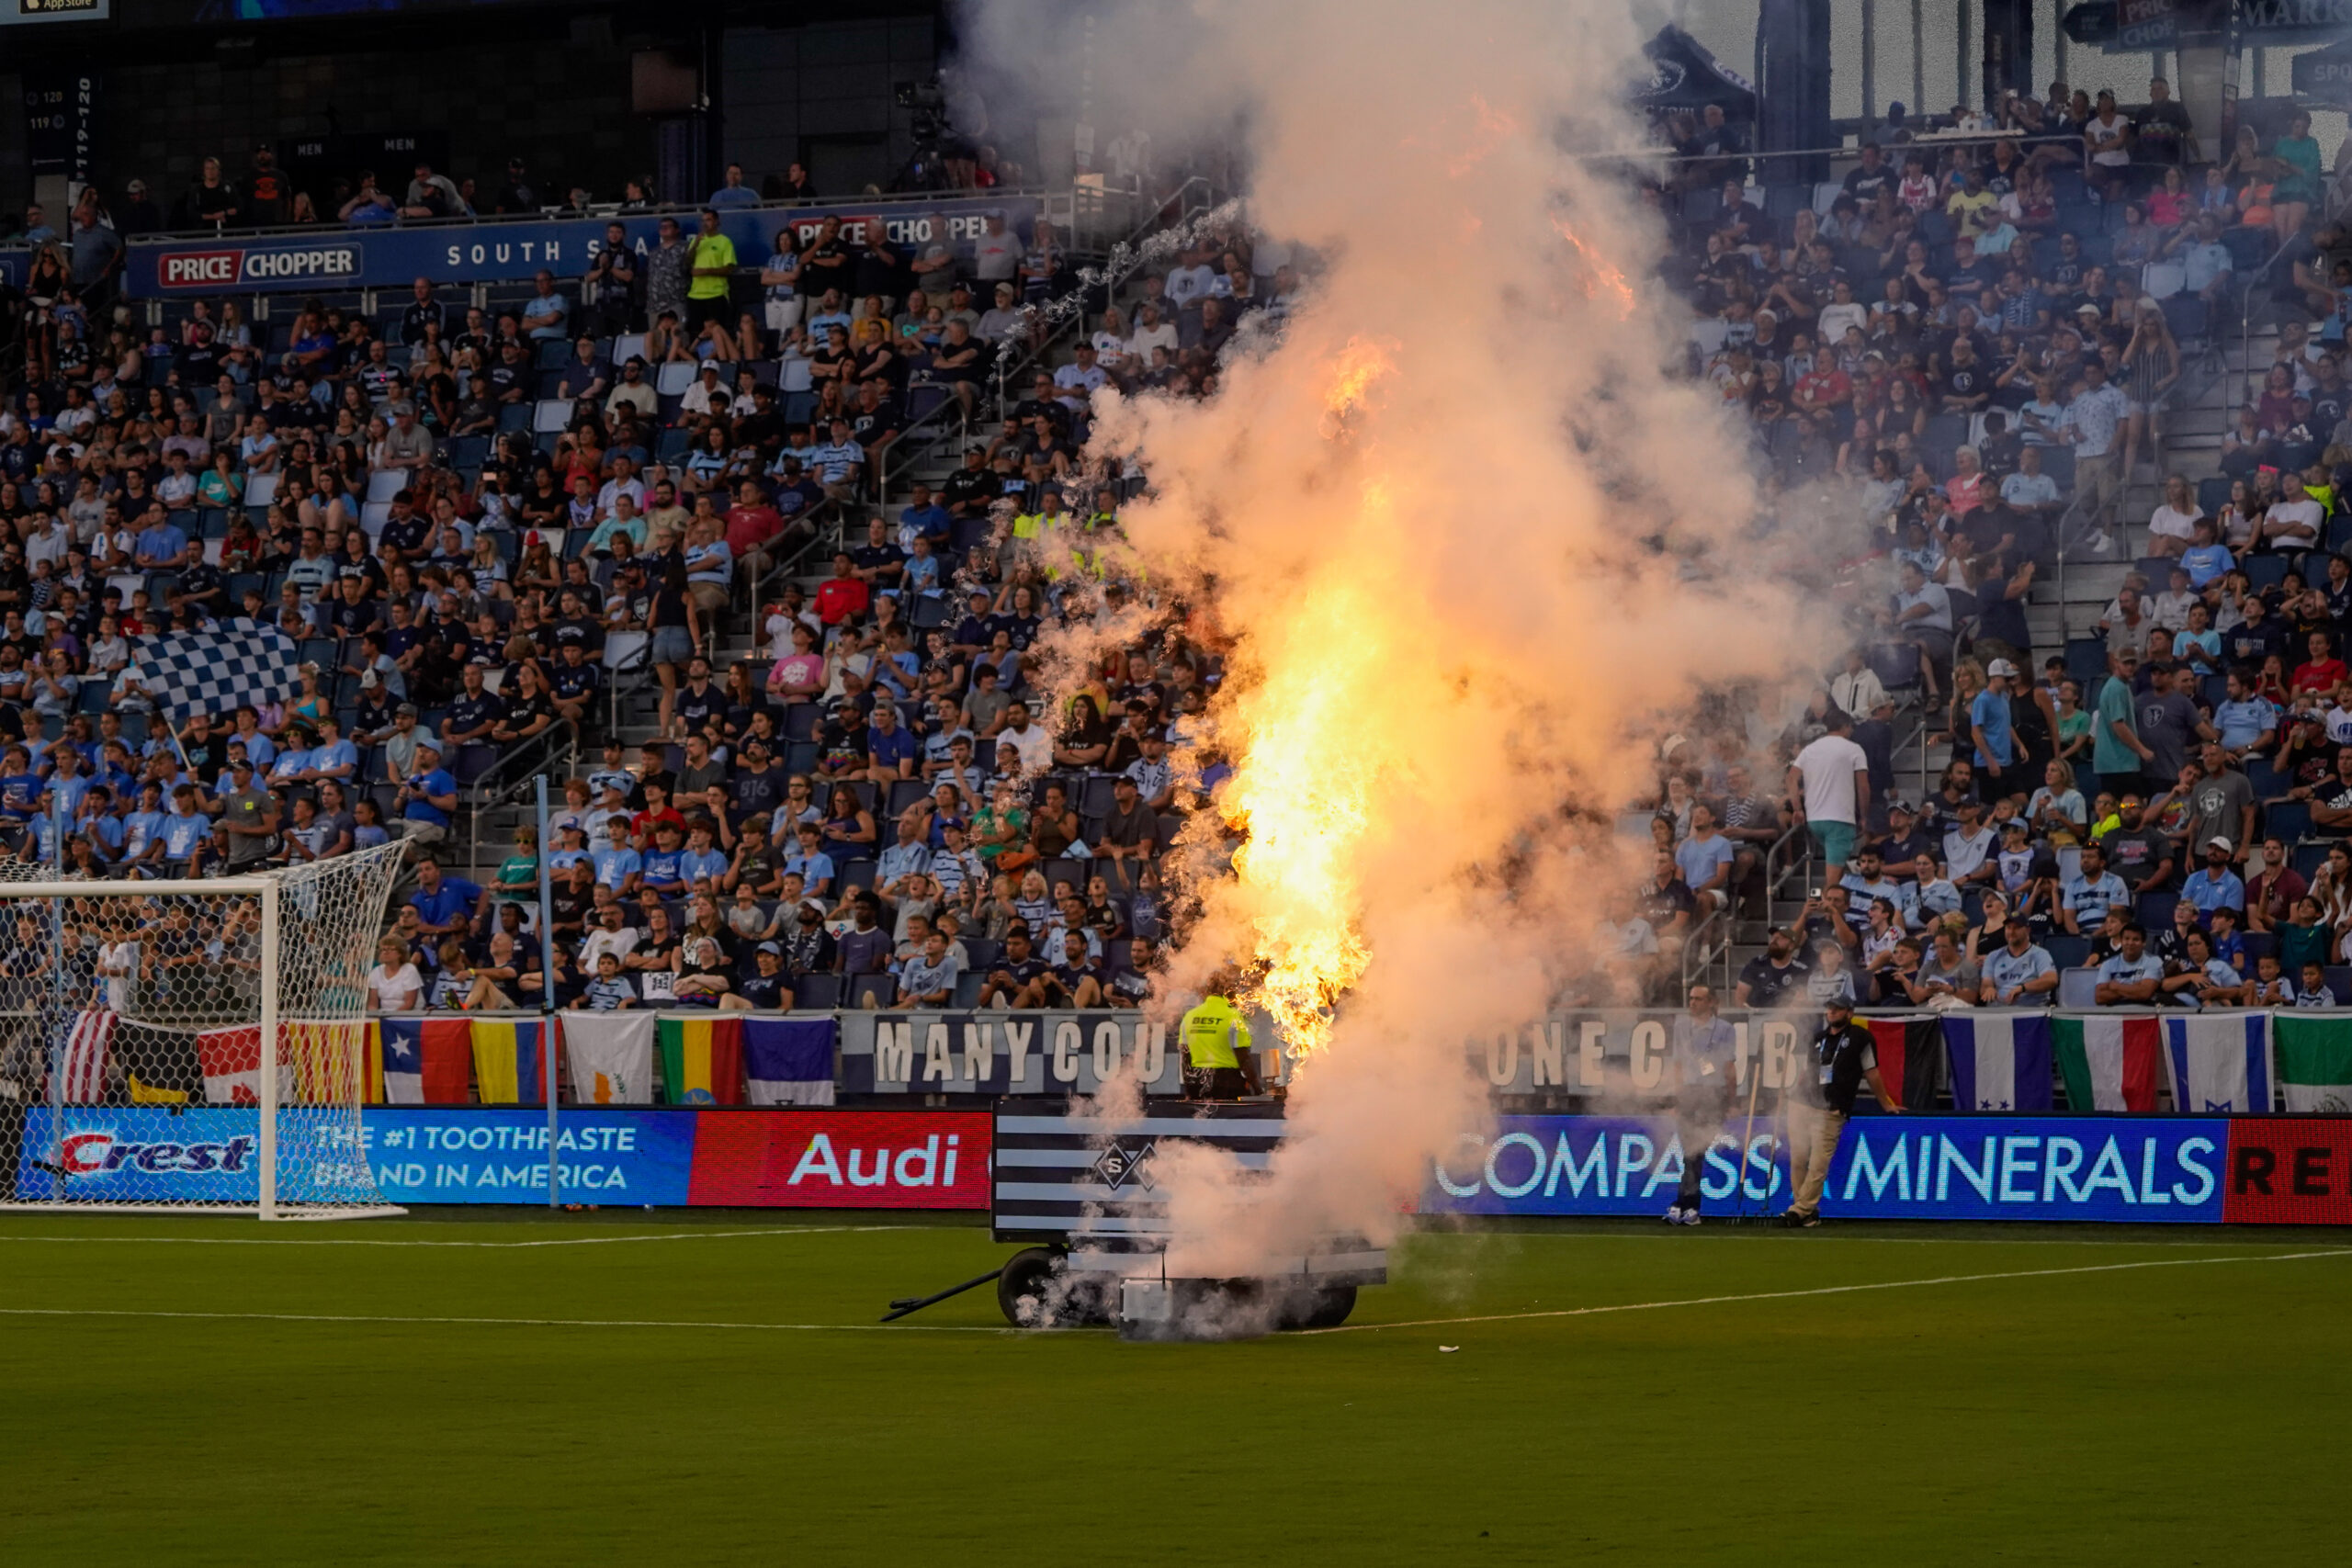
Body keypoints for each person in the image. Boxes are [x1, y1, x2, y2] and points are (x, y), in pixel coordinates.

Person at [1784, 996, 1896, 1228]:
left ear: (1849, 1013)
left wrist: (1885, 1103)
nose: (1832, 1013)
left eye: (1837, 1009)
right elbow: (1808, 1071)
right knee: (1797, 1160)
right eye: (1829, 1009)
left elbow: (1872, 1072)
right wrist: (1791, 1094)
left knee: (1818, 1164)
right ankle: (1804, 1212)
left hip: (1830, 1108)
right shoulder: (1818, 1038)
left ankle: (1798, 1210)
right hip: (1803, 1104)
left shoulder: (1861, 1038)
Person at [1664, 983, 1736, 1226]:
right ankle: (1687, 1205)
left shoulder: (1725, 1029)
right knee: (1689, 1151)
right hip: (1689, 1092)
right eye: (1691, 998)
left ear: (1711, 1002)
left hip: (1712, 1093)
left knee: (1695, 1151)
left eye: (1698, 999)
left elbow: (1729, 1068)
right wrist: (1676, 1097)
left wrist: (1731, 1101)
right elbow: (1677, 1065)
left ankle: (1685, 1204)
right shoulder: (1681, 1026)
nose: (1692, 1003)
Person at [1788, 709, 1871, 885]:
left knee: (1837, 874)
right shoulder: (1854, 749)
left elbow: (1791, 778)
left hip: (1815, 820)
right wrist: (1864, 816)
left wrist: (1797, 808)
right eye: (1851, 728)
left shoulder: (1810, 749)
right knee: (1833, 880)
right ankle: (1819, 907)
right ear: (1846, 727)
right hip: (1840, 820)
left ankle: (1821, 902)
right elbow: (1863, 787)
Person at [1179, 974, 1261, 1100]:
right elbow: (1243, 1057)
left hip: (1197, 1080)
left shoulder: (1190, 1016)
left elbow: (1185, 1056)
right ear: (1228, 992)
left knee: (1200, 1118)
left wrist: (1189, 1089)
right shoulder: (1233, 1015)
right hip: (1227, 1082)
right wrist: (1257, 1088)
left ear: (1206, 992)